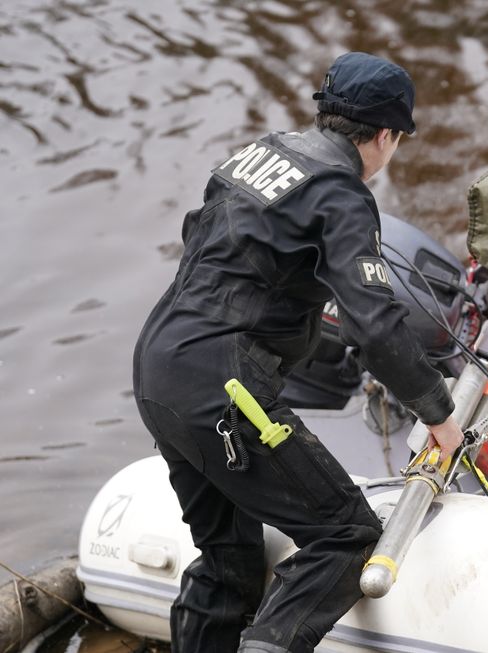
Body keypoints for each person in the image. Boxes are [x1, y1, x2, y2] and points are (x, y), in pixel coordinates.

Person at [132, 52, 464, 653]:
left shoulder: (262, 152)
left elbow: (204, 243)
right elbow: (375, 325)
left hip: (158, 368)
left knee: (229, 559)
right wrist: (437, 412)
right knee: (347, 534)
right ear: (387, 135)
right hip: (224, 392)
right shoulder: (340, 192)